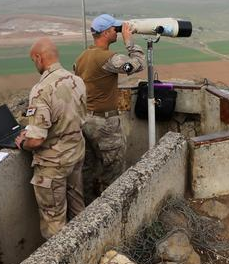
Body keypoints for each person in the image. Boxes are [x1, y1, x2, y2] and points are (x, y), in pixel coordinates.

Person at [15, 37, 87, 239]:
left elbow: (37, 140)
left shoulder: (41, 90)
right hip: (76, 152)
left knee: (54, 221)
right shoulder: (76, 80)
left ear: (38, 57)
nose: (34, 64)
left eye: (33, 60)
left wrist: (23, 142)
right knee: (78, 208)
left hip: (53, 163)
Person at [74, 14, 145, 204]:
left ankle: (88, 210)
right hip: (104, 123)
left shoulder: (82, 56)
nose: (118, 31)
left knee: (88, 168)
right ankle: (110, 210)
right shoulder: (108, 58)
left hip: (85, 120)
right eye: (115, 29)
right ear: (106, 33)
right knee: (113, 167)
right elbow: (137, 65)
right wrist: (130, 43)